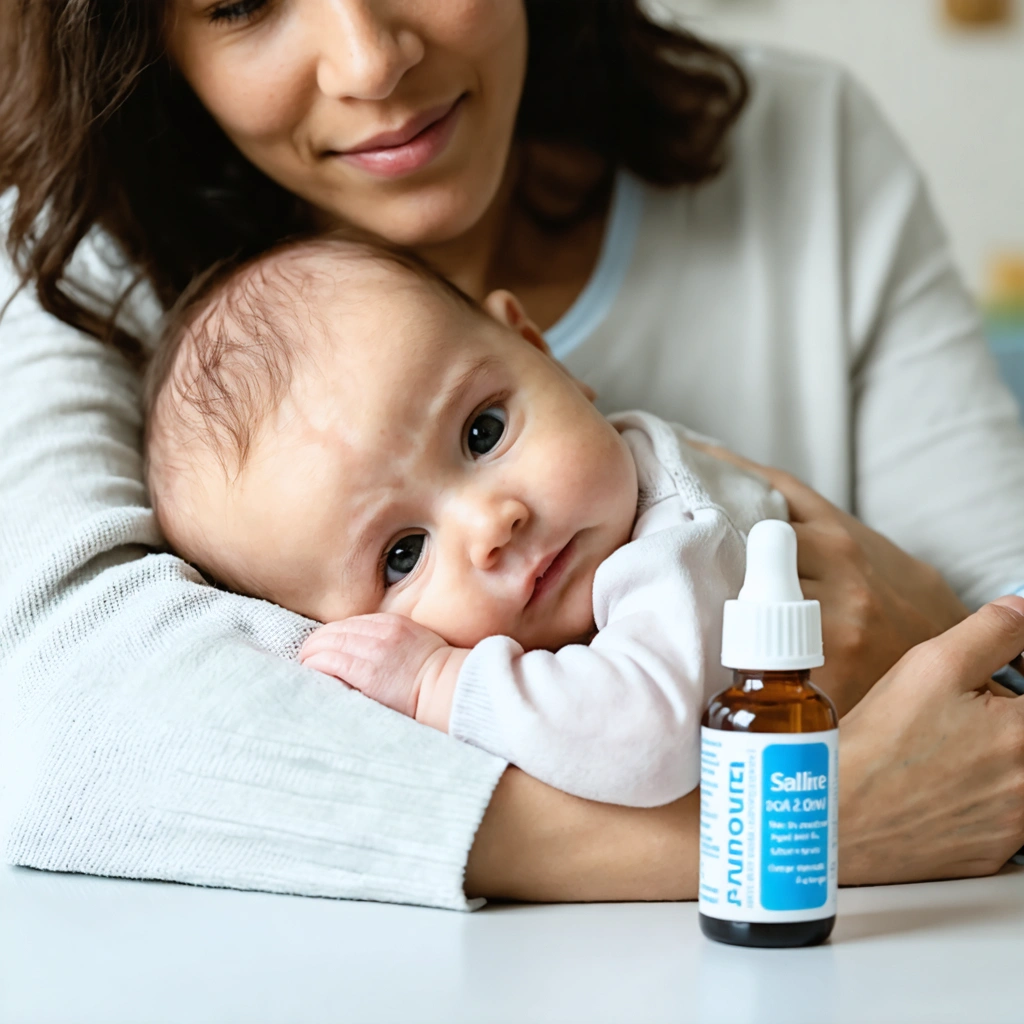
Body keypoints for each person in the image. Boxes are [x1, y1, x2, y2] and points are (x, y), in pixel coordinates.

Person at [1, 0, 1023, 908]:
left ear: (530, 343)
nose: (367, 60)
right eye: (241, 3)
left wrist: (922, 624)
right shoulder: (71, 264)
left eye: (484, 432)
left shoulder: (804, 147)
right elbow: (59, 734)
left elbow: (1002, 654)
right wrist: (809, 828)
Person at [143, 233, 789, 806]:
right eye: (403, 554)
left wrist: (438, 682)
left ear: (540, 349)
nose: (491, 526)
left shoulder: (681, 535)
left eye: (484, 432)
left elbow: (653, 740)